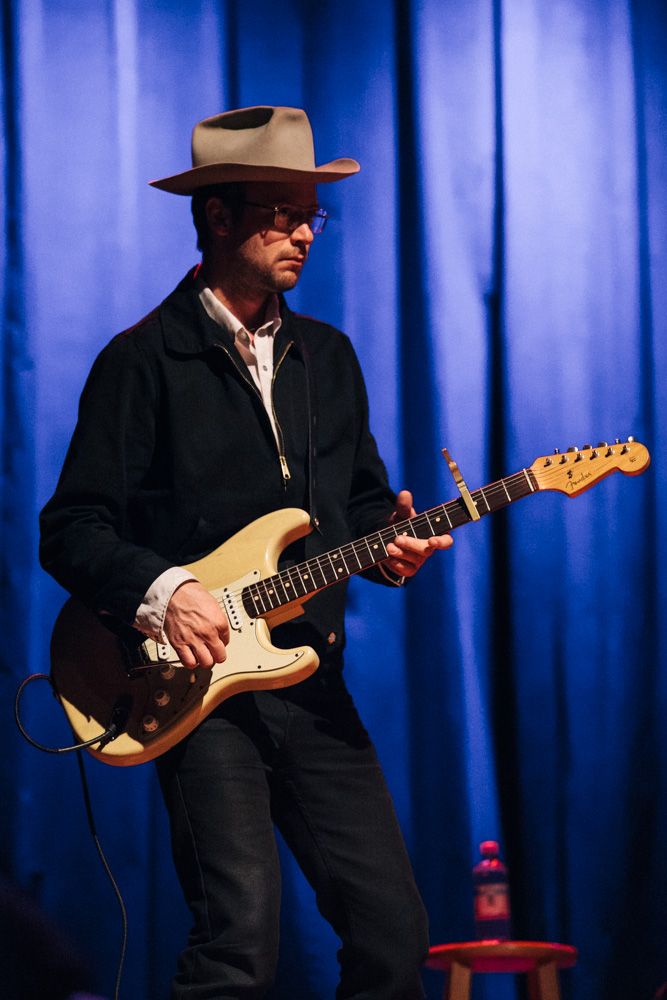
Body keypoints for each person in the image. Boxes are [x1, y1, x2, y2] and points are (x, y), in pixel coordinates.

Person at [39, 106, 452, 999]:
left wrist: (392, 547)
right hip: (198, 690)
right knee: (239, 944)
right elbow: (72, 528)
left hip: (312, 682)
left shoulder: (327, 357)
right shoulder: (142, 360)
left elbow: (362, 505)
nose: (304, 232)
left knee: (393, 936)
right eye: (280, 213)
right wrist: (167, 588)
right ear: (217, 217)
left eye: (312, 214)